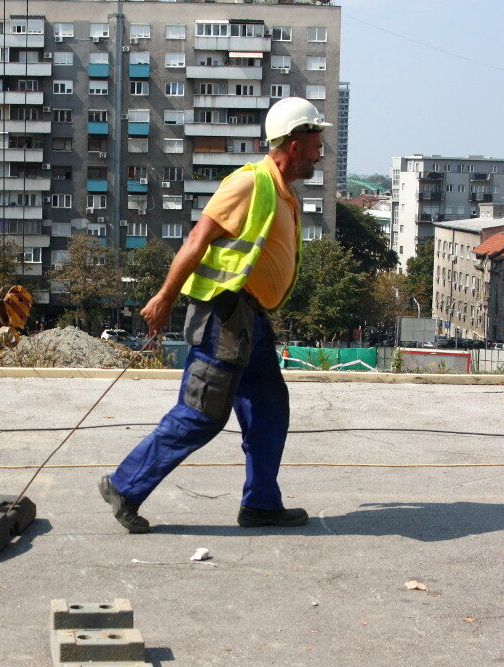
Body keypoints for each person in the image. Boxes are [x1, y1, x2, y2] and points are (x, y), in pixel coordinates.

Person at [98, 97, 330, 533]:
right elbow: (197, 239)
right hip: (225, 316)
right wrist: (165, 296)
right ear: (296, 143)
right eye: (317, 140)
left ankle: (261, 503)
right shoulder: (249, 184)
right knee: (202, 412)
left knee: (268, 409)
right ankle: (125, 486)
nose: (322, 150)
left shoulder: (283, 191)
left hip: (251, 321)